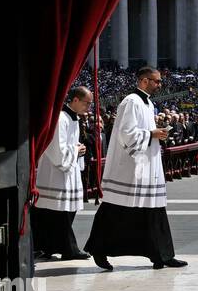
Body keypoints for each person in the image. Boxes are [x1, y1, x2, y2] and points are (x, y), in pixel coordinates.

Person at [84, 67, 188, 271]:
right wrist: (152, 134)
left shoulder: (146, 102)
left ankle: (162, 255)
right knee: (115, 209)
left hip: (147, 165)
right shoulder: (131, 101)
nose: (160, 85)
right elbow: (126, 133)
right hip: (130, 168)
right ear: (143, 80)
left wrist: (156, 134)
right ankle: (98, 248)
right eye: (156, 81)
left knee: (154, 210)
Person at [31, 86, 92, 260]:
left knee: (62, 213)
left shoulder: (73, 118)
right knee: (60, 214)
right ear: (75, 100)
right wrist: (76, 150)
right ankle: (69, 249)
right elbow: (56, 149)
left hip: (67, 172)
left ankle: (50, 246)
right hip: (55, 174)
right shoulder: (60, 118)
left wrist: (78, 149)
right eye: (87, 103)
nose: (89, 107)